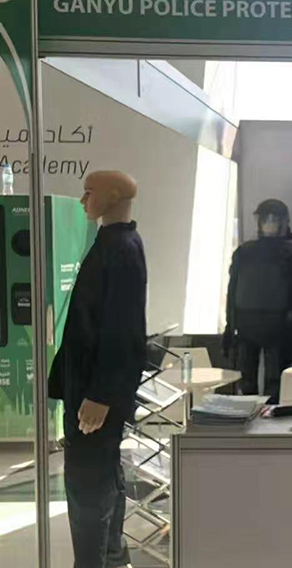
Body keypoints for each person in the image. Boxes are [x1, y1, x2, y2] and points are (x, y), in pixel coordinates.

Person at [48, 170, 147, 568]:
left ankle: (94, 561)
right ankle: (109, 557)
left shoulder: (121, 248)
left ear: (113, 195)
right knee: (100, 475)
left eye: (89, 192)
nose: (83, 200)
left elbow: (122, 329)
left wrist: (102, 394)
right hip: (88, 387)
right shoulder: (112, 243)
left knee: (88, 483)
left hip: (95, 392)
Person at [224, 199, 292, 402]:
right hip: (246, 325)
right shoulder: (244, 252)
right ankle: (247, 416)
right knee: (245, 384)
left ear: (284, 222)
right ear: (259, 221)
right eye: (266, 218)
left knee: (276, 385)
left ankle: (269, 417)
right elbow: (232, 290)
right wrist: (229, 327)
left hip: (278, 326)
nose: (270, 223)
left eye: (275, 218)